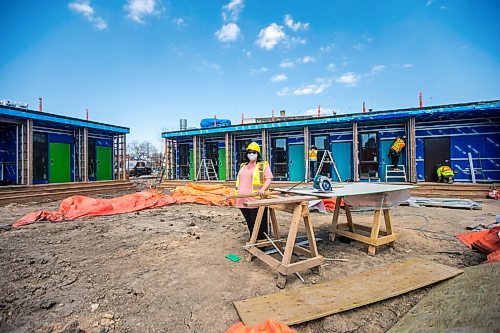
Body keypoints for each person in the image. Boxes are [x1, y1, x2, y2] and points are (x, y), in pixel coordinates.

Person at [235, 142, 273, 241]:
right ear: (246, 154)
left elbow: (269, 178)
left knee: (258, 221)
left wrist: (263, 189)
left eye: (254, 152)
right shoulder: (243, 165)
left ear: (258, 154)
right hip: (241, 199)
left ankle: (261, 242)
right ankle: (253, 238)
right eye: (250, 152)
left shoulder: (263, 165)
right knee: (250, 221)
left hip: (255, 199)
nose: (251, 154)